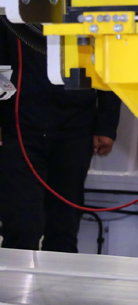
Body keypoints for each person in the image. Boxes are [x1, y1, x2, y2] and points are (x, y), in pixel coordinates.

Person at [0, 20, 121, 252]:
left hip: (76, 127)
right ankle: (16, 276)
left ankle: (59, 277)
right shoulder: (11, 12)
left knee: (64, 228)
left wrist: (106, 125)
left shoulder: (88, 8)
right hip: (20, 127)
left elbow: (109, 62)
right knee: (22, 225)